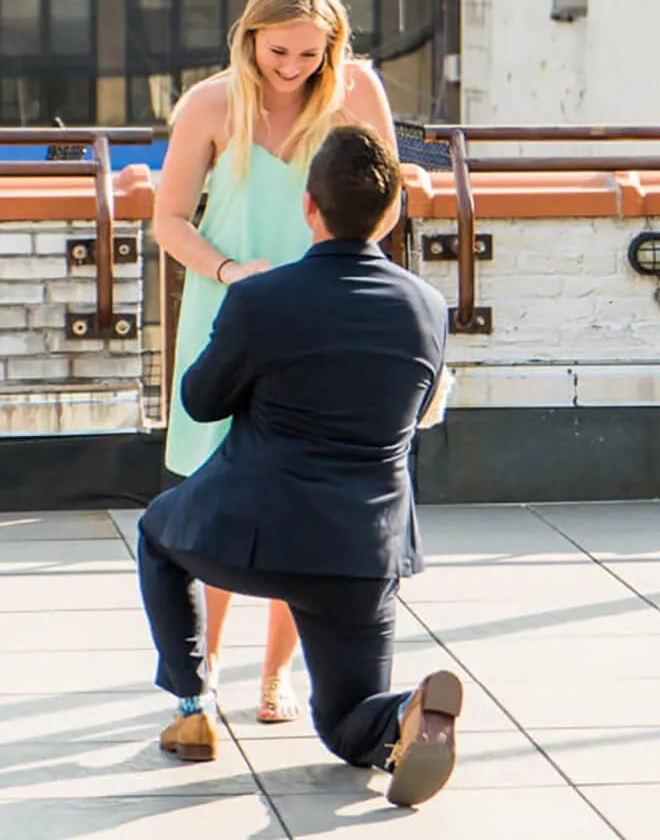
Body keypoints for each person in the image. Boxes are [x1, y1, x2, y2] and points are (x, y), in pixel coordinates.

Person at [138, 125, 462, 810]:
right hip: (363, 552)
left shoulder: (262, 299)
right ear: (393, 211)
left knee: (158, 535)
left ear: (309, 209)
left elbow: (199, 400)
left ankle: (193, 699)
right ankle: (402, 712)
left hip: (254, 534)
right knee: (346, 723)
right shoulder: (429, 309)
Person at [154, 0, 397, 723]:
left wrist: (335, 271)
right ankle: (209, 662)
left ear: (333, 45)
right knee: (219, 491)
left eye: (309, 54)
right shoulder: (210, 102)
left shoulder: (359, 91)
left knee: (304, 497)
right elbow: (168, 222)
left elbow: (388, 204)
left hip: (323, 322)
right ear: (249, 37)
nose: (292, 68)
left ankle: (275, 676)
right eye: (277, 52)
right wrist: (233, 272)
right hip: (229, 311)